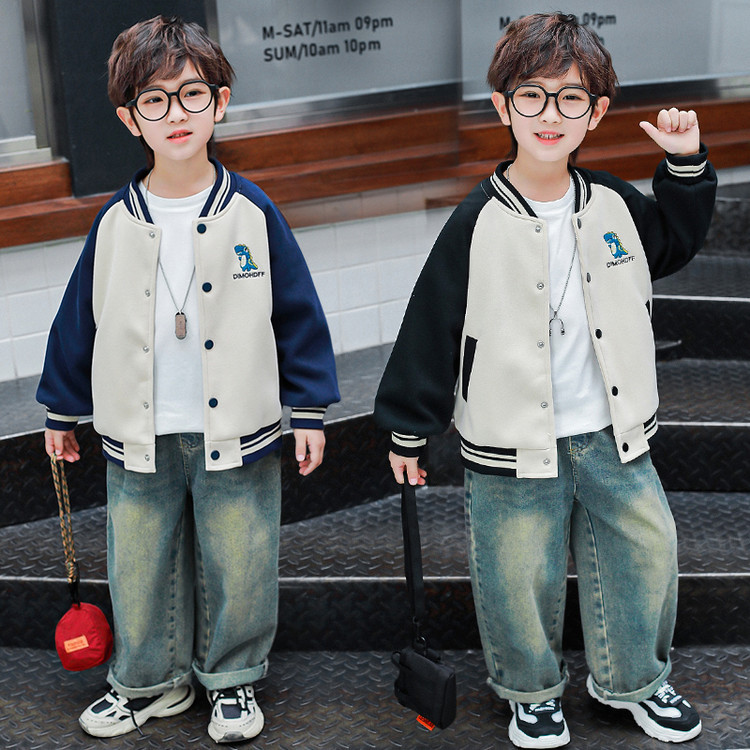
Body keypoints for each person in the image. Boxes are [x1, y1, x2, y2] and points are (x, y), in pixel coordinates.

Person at [374, 12, 716, 749]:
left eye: (570, 98)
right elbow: (432, 323)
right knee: (514, 573)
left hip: (611, 431)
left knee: (645, 552)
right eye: (531, 95)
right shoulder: (476, 220)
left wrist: (686, 164)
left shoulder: (615, 203)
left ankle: (635, 681)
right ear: (503, 107)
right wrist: (408, 425)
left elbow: (675, 241)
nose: (549, 114)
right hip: (511, 438)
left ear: (595, 112)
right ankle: (530, 692)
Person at [37, 15, 339, 744]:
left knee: (241, 560)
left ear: (220, 102)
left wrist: (308, 410)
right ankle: (148, 682)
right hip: (138, 434)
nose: (176, 113)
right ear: (129, 118)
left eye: (192, 94)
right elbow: (80, 320)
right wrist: (60, 411)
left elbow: (297, 315)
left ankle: (232, 681)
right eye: (155, 99)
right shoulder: (116, 221)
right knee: (140, 565)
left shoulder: (252, 212)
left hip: (237, 428)